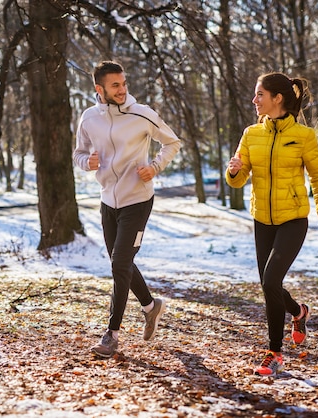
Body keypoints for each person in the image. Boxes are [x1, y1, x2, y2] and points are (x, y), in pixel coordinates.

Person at [226, 72, 318, 376]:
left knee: (271, 281)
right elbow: (238, 179)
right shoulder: (251, 134)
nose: (254, 100)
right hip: (262, 219)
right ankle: (299, 312)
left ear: (278, 98)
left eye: (260, 94)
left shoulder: (304, 136)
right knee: (268, 284)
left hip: (293, 219)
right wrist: (233, 171)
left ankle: (275, 352)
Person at [73, 61, 182, 358]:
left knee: (119, 264)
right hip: (108, 200)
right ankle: (151, 306)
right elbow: (79, 153)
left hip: (138, 199)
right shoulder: (89, 118)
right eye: (115, 86)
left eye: (123, 83)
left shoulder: (141, 114)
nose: (122, 90)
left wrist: (155, 167)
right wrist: (87, 163)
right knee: (120, 262)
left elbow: (172, 142)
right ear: (100, 90)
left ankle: (112, 334)